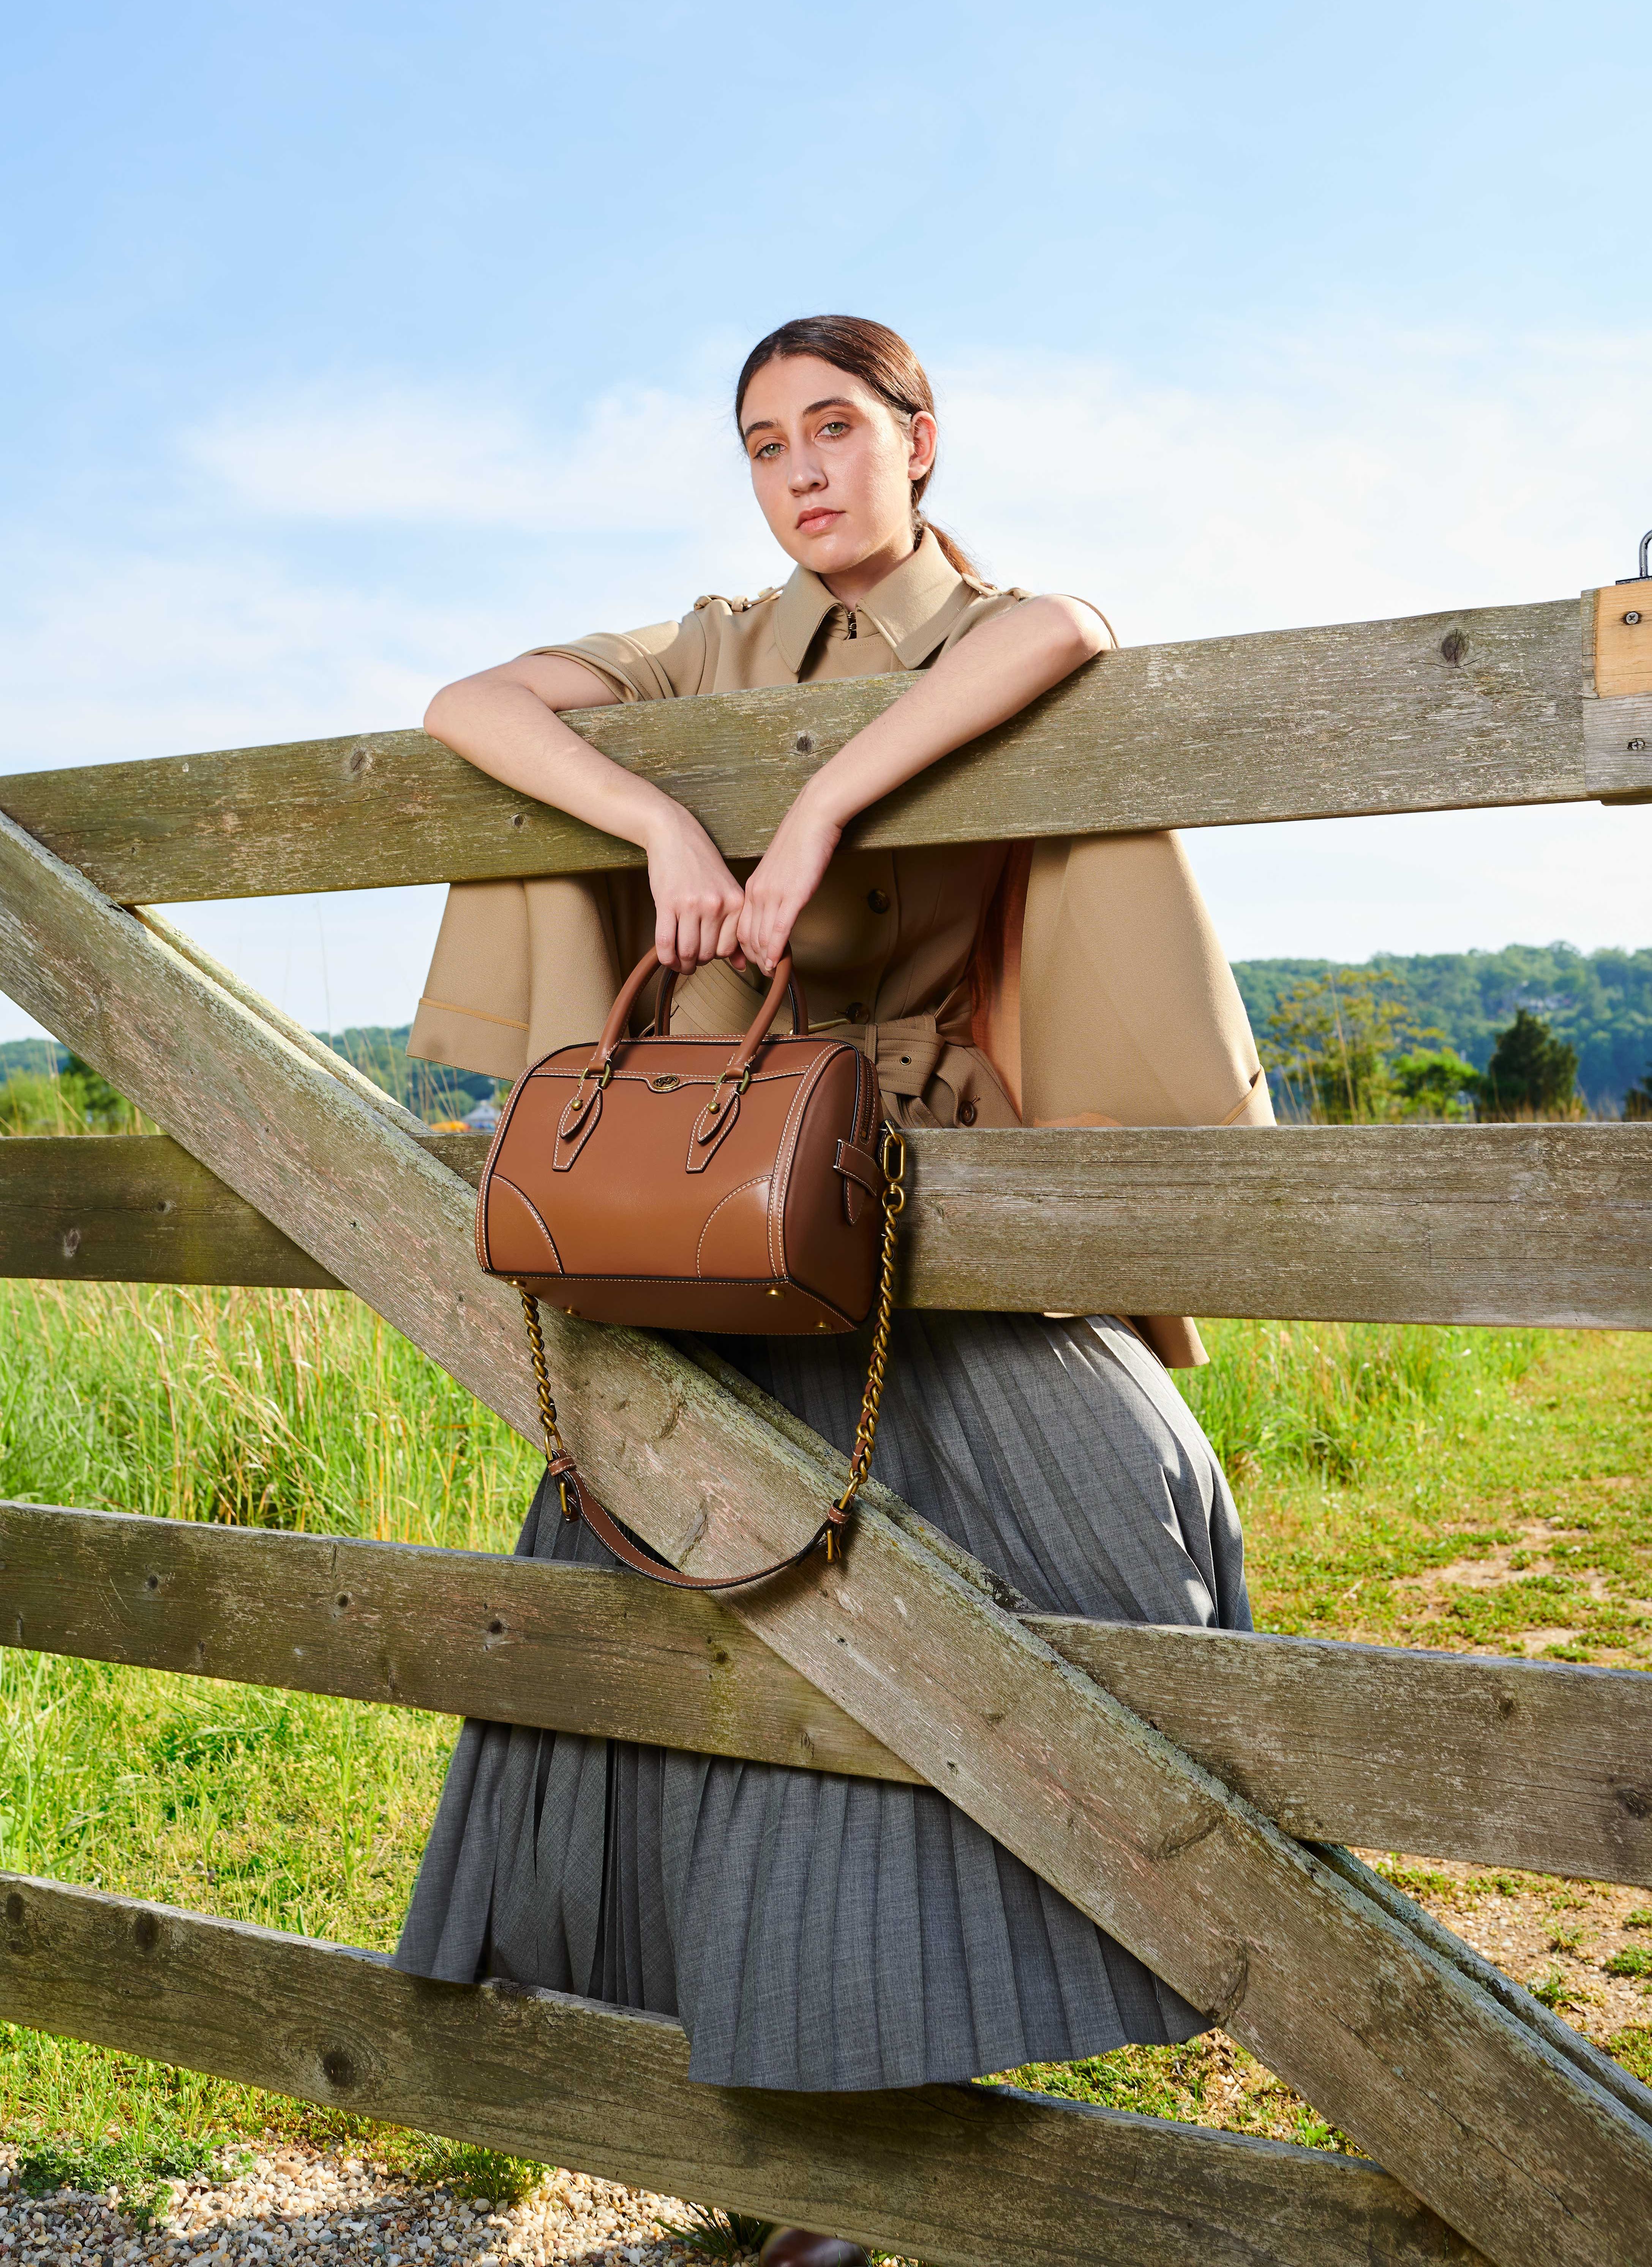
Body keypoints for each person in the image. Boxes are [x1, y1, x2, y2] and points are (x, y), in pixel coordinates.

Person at [393, 316, 1271, 2267]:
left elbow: (1069, 632)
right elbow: (470, 697)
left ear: (920, 441)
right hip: (716, 1201)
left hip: (938, 1200)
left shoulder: (992, 622)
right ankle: (762, 2148)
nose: (799, 470)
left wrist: (802, 818)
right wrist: (650, 812)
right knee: (696, 1621)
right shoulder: (707, 648)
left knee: (1101, 1538)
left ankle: (936, 2085)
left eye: (836, 430)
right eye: (762, 443)